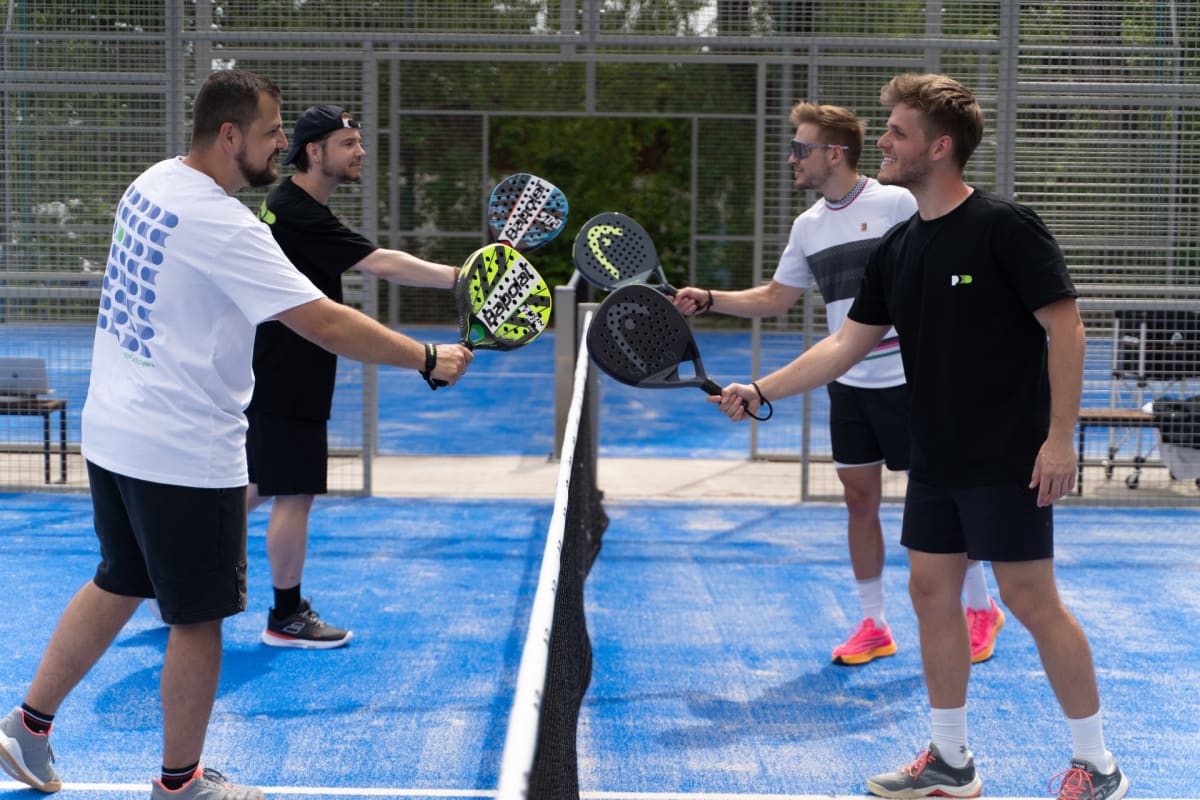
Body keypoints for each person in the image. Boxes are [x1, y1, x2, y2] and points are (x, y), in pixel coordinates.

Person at [0, 69, 471, 800]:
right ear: (229, 137)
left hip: (115, 433)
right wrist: (427, 357)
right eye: (271, 133)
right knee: (199, 620)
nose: (282, 145)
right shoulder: (226, 224)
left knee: (121, 577)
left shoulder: (150, 183)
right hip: (181, 450)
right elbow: (323, 321)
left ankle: (28, 730)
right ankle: (181, 784)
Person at [713, 73, 1127, 799]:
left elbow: (1067, 328)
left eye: (898, 131)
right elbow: (845, 346)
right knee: (931, 591)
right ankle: (950, 760)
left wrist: (1061, 438)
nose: (885, 143)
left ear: (939, 146)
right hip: (936, 454)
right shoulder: (900, 247)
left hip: (1008, 454)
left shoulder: (1007, 227)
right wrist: (760, 390)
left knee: (1029, 599)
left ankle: (1097, 764)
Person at [672, 102, 1005, 667]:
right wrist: (709, 298)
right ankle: (874, 624)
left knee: (946, 499)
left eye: (801, 149)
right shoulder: (808, 225)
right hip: (848, 385)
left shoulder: (900, 202)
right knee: (859, 502)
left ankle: (979, 606)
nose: (791, 159)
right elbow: (777, 297)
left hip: (914, 381)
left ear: (835, 153)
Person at [245, 104, 461, 649]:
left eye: (359, 141)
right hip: (288, 371)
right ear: (314, 152)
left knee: (253, 484)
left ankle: (168, 565)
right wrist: (465, 278)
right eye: (348, 143)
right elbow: (381, 262)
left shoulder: (289, 204)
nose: (360, 151)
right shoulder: (295, 208)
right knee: (293, 491)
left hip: (276, 365)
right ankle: (286, 616)